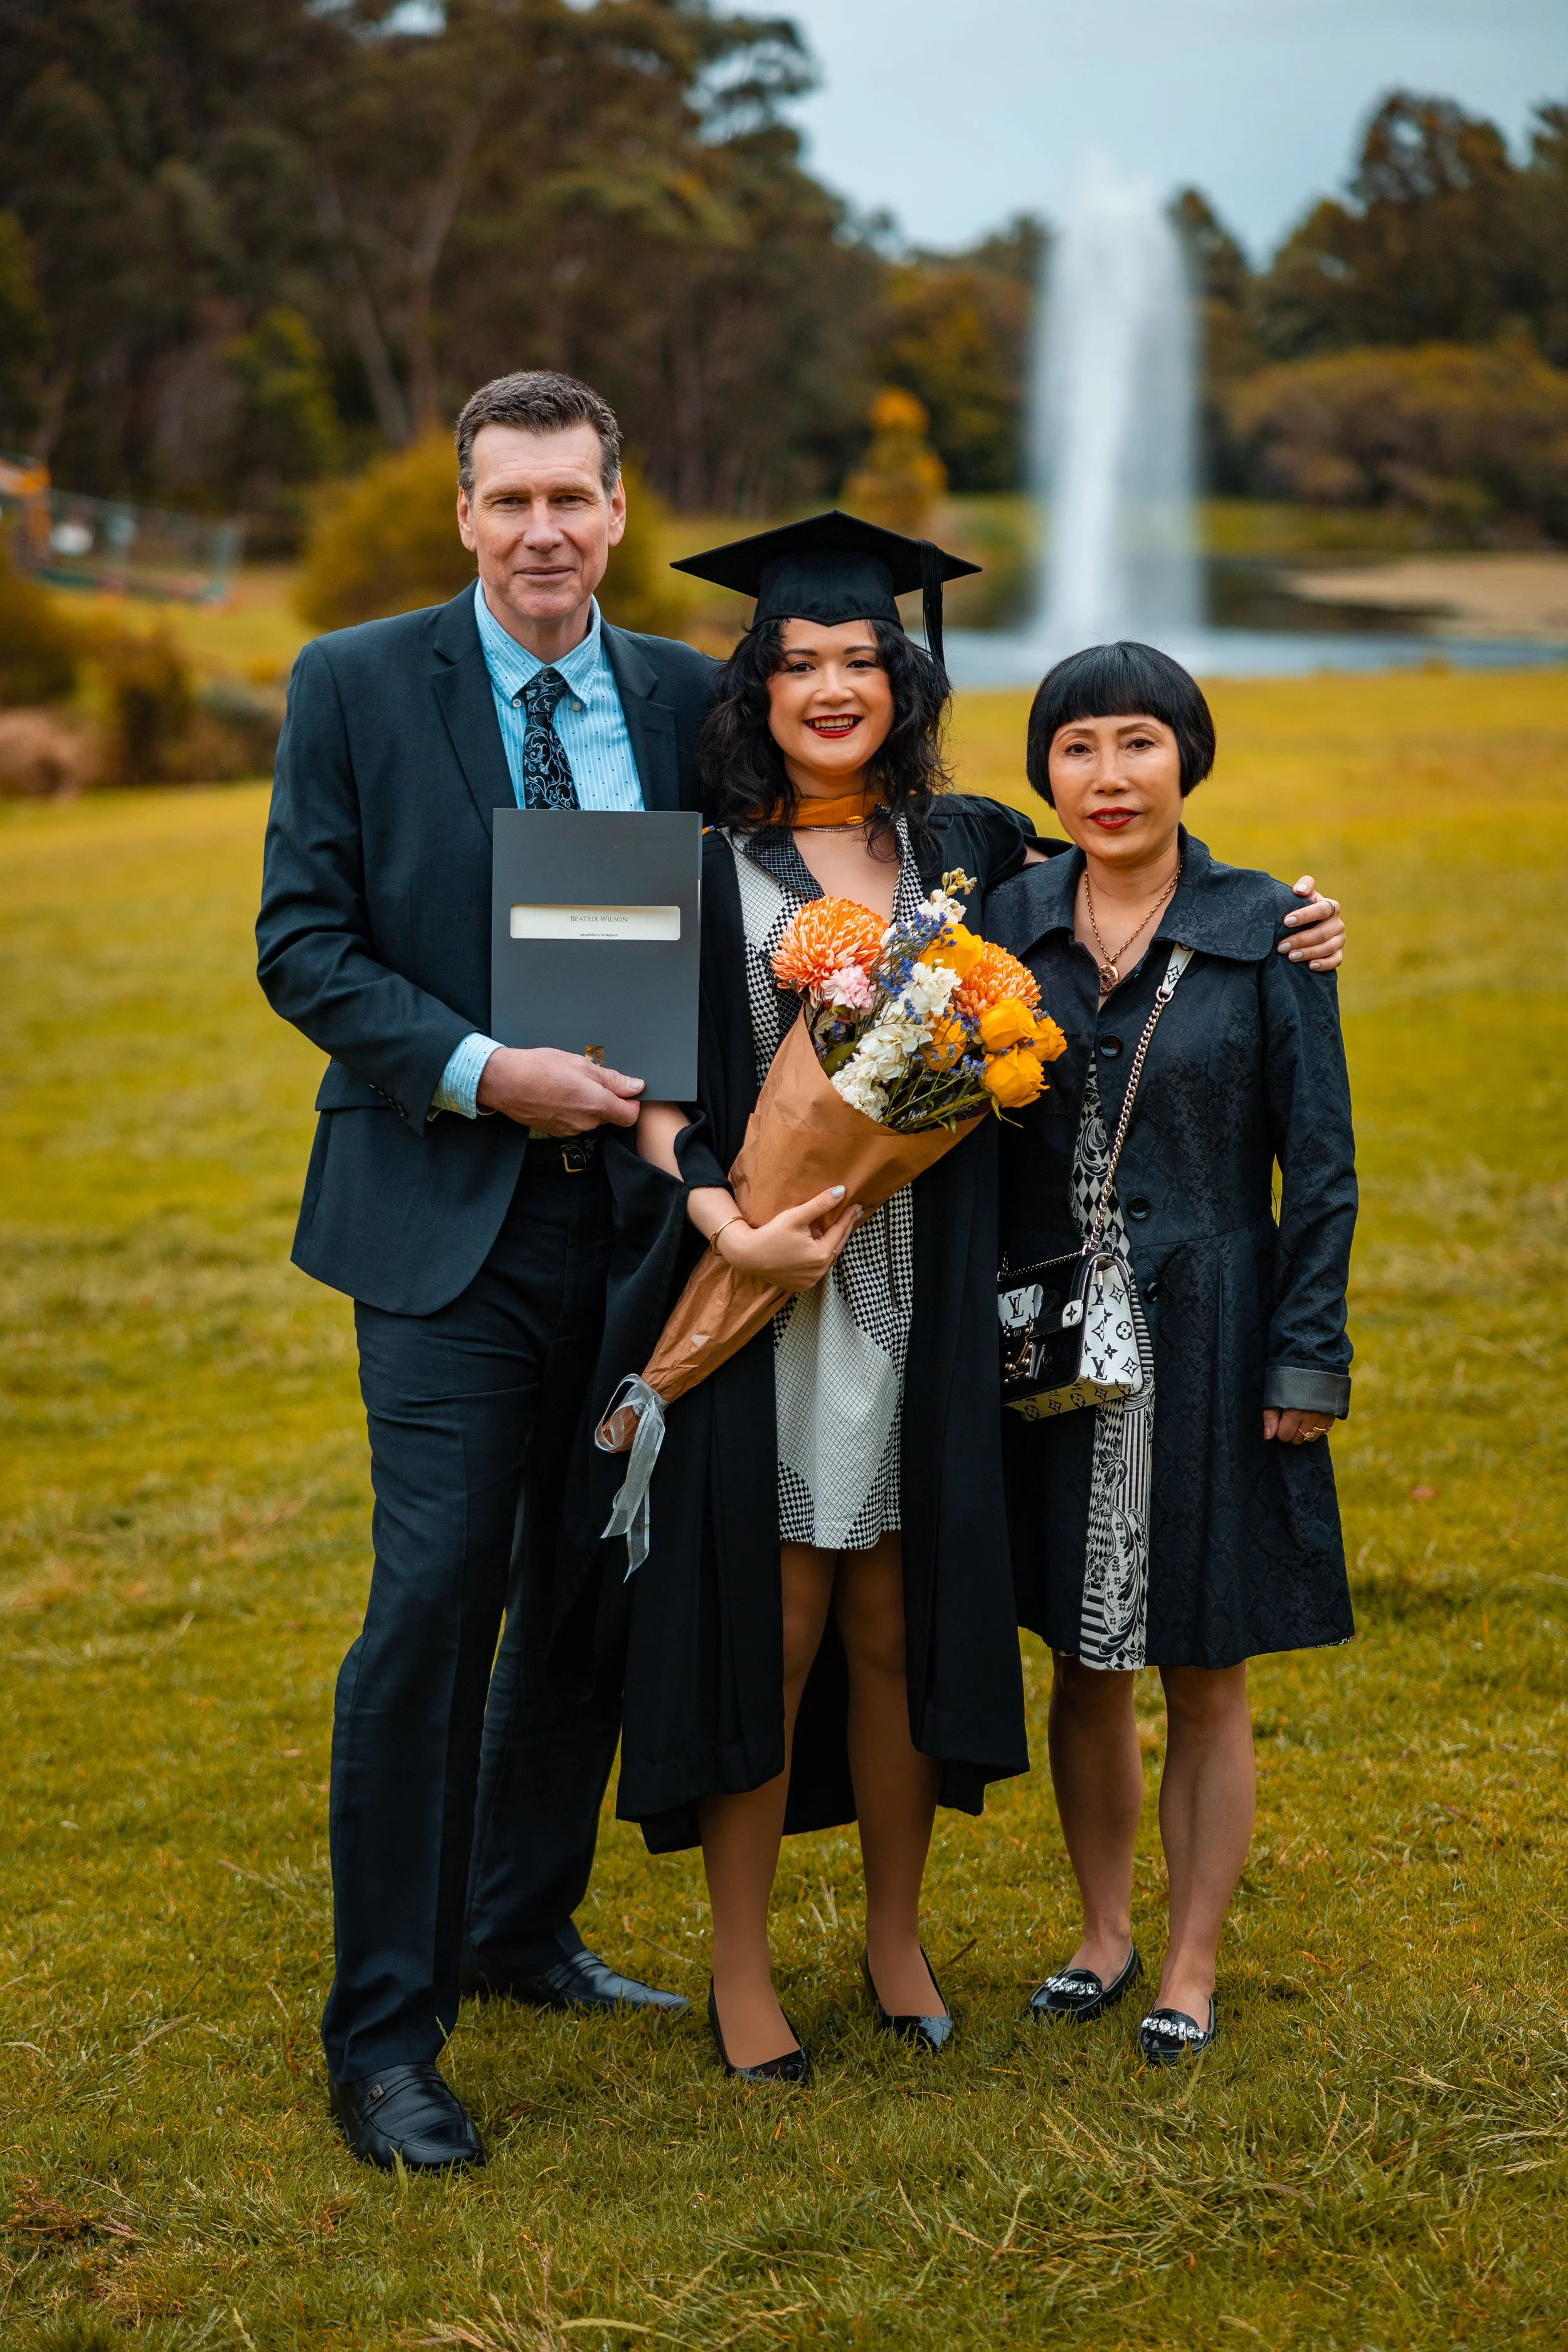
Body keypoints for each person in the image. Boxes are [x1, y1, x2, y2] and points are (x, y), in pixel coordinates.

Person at [256, 371, 721, 2172]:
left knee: (589, 1587)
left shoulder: (690, 695)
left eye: (574, 500)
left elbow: (859, 826)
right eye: (509, 498)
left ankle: (524, 1926)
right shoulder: (358, 685)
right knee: (437, 1595)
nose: (543, 530)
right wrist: (481, 1066)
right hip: (444, 1218)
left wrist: (1219, 894)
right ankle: (384, 2034)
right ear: (464, 513)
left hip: (638, 1221)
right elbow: (304, 943)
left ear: (619, 511)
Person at [569, 513, 1037, 2080]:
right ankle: (738, 1964)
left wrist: (1287, 918)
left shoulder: (969, 844)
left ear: (901, 681)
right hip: (766, 1275)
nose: (831, 687)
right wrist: (723, 1218)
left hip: (920, 1272)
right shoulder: (694, 860)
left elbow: (1126, 903)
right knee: (769, 1628)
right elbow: (631, 1082)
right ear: (754, 690)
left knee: (896, 1620)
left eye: (858, 660)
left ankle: (894, 1937)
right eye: (797, 663)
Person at [988, 640, 1357, 2067]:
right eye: (1075, 748)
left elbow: (1316, 1166)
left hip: (1212, 1326)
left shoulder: (1267, 927)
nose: (1107, 776)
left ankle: (1189, 1964)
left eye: (1136, 742)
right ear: (1045, 775)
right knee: (1083, 1657)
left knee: (1204, 1659)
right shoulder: (1004, 927)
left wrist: (1302, 1362)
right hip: (1048, 1340)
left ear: (1184, 757)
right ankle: (1099, 1934)